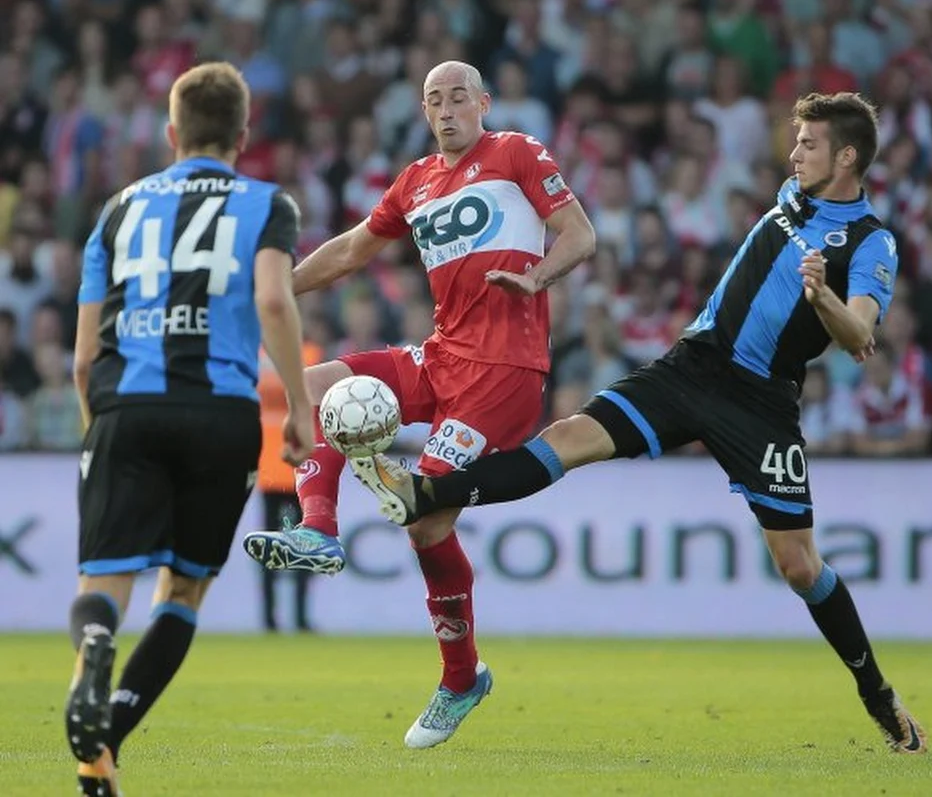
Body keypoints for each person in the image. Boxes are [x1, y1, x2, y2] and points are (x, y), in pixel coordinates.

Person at [351, 92, 928, 754]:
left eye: (809, 144)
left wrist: (821, 293)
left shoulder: (870, 240)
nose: (793, 153)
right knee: (566, 439)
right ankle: (421, 493)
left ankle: (876, 692)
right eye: (796, 142)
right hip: (690, 367)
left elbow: (860, 333)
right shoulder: (793, 195)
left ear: (848, 156)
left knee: (799, 566)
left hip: (761, 402)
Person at [241, 60, 596, 749]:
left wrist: (537, 277)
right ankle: (317, 529)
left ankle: (460, 678)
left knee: (424, 520)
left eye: (459, 96)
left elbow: (580, 234)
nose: (446, 109)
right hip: (440, 357)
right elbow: (349, 251)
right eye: (434, 100)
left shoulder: (517, 152)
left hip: (504, 372)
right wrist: (278, 289)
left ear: (484, 103)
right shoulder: (416, 180)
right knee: (312, 385)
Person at [65, 62, 311, 797]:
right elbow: (273, 298)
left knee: (103, 582)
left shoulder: (117, 211)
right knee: (183, 592)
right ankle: (102, 749)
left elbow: (83, 357)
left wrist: (97, 428)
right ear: (243, 137)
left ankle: (96, 655)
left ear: (172, 134)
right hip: (221, 413)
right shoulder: (269, 203)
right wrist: (298, 407)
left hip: (128, 409)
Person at [257, 339, 325, 633]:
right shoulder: (306, 355)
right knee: (275, 549)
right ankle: (273, 618)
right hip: (275, 464)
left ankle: (297, 616)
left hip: (296, 463)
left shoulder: (309, 352)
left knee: (301, 548)